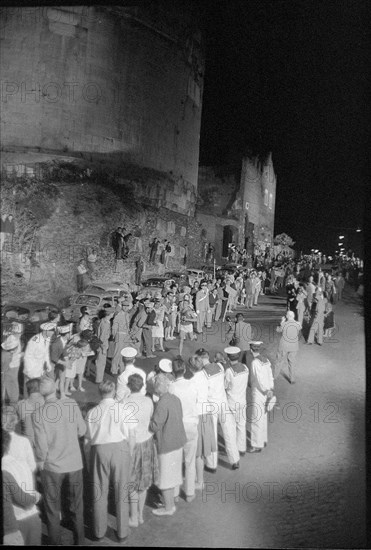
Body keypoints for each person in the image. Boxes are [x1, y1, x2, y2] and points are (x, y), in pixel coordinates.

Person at [33, 377, 86, 545]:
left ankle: (55, 541)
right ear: (56, 388)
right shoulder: (70, 404)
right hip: (74, 463)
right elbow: (82, 430)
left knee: (52, 508)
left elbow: (41, 446)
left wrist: (40, 461)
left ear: (41, 393)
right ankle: (80, 541)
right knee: (77, 505)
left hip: (53, 466)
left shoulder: (38, 414)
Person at [85, 380, 135, 543]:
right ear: (113, 392)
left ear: (100, 392)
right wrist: (130, 455)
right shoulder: (123, 408)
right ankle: (122, 533)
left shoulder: (92, 412)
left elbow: (87, 441)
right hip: (120, 449)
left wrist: (89, 461)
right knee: (122, 492)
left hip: (99, 449)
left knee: (99, 492)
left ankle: (99, 532)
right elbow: (131, 436)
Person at [195, 348, 240, 471]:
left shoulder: (202, 374)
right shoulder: (220, 366)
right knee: (229, 432)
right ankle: (234, 460)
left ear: (200, 358)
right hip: (223, 402)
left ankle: (212, 464)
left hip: (211, 406)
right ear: (207, 357)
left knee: (212, 434)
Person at [123, 374, 158, 527]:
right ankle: (140, 514)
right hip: (147, 442)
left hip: (131, 444)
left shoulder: (124, 403)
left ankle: (133, 516)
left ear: (129, 386)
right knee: (143, 481)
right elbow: (150, 418)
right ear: (142, 385)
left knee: (131, 482)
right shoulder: (148, 401)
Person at [149, 374, 187, 516]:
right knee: (174, 474)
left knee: (165, 477)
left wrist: (148, 420)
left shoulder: (162, 404)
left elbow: (155, 426)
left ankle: (168, 507)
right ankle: (170, 501)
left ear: (157, 388)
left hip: (166, 444)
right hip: (178, 441)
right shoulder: (175, 399)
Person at [2, 429, 42, 546]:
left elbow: (21, 498)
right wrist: (36, 496)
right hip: (32, 517)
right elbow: (25, 497)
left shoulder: (4, 470)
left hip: (16, 523)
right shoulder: (23, 464)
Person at [169, 356, 199, 503]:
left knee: (175, 461)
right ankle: (189, 493)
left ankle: (174, 494)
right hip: (191, 425)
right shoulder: (192, 385)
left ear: (173, 371)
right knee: (190, 461)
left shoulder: (171, 387)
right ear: (185, 369)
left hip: (176, 427)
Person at [248, 341, 274, 452]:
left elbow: (259, 379)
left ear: (251, 349)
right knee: (263, 416)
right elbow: (270, 375)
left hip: (258, 392)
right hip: (267, 392)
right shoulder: (266, 361)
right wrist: (270, 389)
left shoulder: (255, 362)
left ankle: (256, 444)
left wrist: (265, 389)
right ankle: (263, 439)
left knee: (256, 418)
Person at [224, 346, 249, 456]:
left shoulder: (229, 371)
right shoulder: (245, 368)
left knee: (231, 427)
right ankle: (242, 448)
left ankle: (233, 449)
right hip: (242, 400)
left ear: (229, 358)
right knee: (241, 425)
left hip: (232, 402)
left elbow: (225, 385)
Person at [23, 322, 56, 388]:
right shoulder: (34, 340)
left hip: (40, 368)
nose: (52, 333)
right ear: (45, 331)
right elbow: (27, 356)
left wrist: (48, 364)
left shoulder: (47, 338)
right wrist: (29, 370)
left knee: (38, 388)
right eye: (51, 331)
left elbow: (46, 352)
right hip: (31, 368)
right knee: (30, 388)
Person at [17, 378, 44, 449]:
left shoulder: (21, 404)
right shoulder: (47, 403)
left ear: (28, 390)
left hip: (27, 441)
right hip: (43, 440)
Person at [275, 311, 302, 383]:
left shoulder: (284, 324)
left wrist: (281, 322)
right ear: (293, 316)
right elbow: (299, 328)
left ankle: (274, 377)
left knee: (279, 361)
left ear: (287, 316)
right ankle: (292, 379)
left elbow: (278, 330)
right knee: (292, 362)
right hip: (294, 346)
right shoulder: (298, 324)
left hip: (284, 345)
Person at [50, 323, 73, 398]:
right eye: (70, 333)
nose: (71, 334)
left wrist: (67, 361)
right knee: (51, 379)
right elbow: (53, 357)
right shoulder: (56, 343)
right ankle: (51, 395)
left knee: (62, 378)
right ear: (66, 334)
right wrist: (64, 362)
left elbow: (64, 351)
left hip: (60, 361)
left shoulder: (64, 340)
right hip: (51, 363)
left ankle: (62, 395)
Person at [111, 299, 132, 374]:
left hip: (126, 336)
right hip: (119, 335)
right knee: (117, 353)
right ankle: (114, 370)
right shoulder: (118, 314)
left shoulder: (127, 315)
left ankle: (122, 368)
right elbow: (114, 326)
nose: (126, 307)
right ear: (122, 306)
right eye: (124, 306)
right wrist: (114, 335)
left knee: (124, 353)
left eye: (127, 306)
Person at [1, 334, 22, 405]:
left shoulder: (6, 353)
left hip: (6, 373)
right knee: (11, 388)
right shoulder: (7, 356)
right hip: (6, 373)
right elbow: (4, 368)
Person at [95, 309, 113, 384]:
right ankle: (99, 379)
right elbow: (102, 338)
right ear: (108, 315)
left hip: (103, 344)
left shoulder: (104, 321)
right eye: (112, 313)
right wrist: (103, 348)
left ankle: (99, 378)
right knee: (101, 363)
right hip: (103, 345)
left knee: (101, 362)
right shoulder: (105, 324)